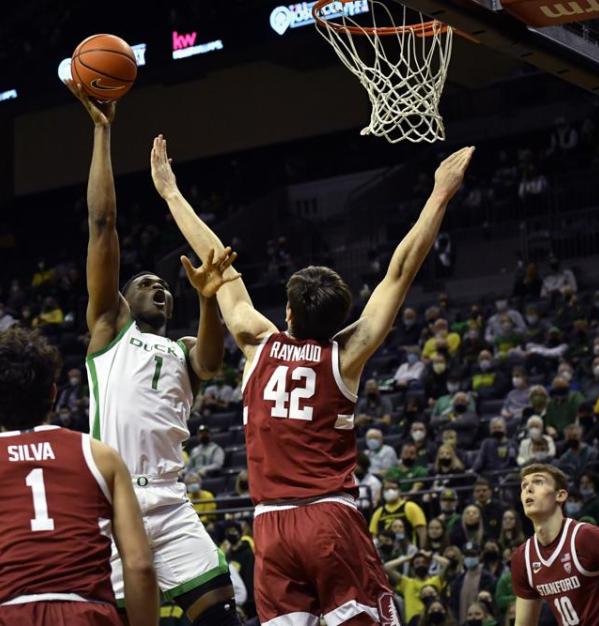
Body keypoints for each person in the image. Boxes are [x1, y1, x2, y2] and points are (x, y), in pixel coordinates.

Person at [154, 136, 474, 624]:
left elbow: (219, 262)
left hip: (271, 527)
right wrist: (439, 194)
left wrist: (171, 192)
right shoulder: (345, 355)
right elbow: (400, 271)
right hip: (329, 519)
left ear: (288, 312)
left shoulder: (256, 342)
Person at [68, 82, 238, 625]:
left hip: (170, 502)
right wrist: (103, 132)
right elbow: (102, 225)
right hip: (112, 503)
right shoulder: (109, 329)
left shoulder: (182, 348)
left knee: (221, 616)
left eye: (165, 286)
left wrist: (208, 300)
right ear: (124, 299)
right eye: (145, 283)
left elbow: (210, 363)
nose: (158, 287)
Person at [0, 328, 158, 626]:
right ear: (53, 393)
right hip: (87, 613)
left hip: (10, 614)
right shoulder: (101, 456)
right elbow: (140, 566)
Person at [511, 463, 599, 625]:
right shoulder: (523, 558)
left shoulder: (587, 537)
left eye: (538, 482)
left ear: (560, 495)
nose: (528, 489)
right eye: (524, 485)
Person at [384, 551, 451, 624]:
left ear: (428, 565)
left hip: (433, 618)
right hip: (414, 621)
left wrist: (431, 555)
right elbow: (387, 567)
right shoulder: (407, 583)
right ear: (413, 567)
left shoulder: (436, 580)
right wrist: (408, 558)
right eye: (417, 563)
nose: (421, 564)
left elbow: (446, 563)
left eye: (423, 562)